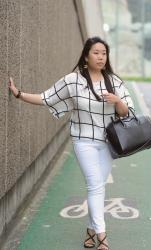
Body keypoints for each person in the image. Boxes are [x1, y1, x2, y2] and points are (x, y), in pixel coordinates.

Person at [8, 36, 134, 250]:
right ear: (86, 55)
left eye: (104, 53)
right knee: (95, 185)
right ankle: (103, 238)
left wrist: (117, 101)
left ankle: (90, 231)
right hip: (83, 141)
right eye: (96, 52)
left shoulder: (114, 81)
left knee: (98, 188)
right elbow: (47, 97)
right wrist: (19, 94)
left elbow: (127, 113)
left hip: (107, 144)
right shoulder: (73, 81)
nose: (101, 57)